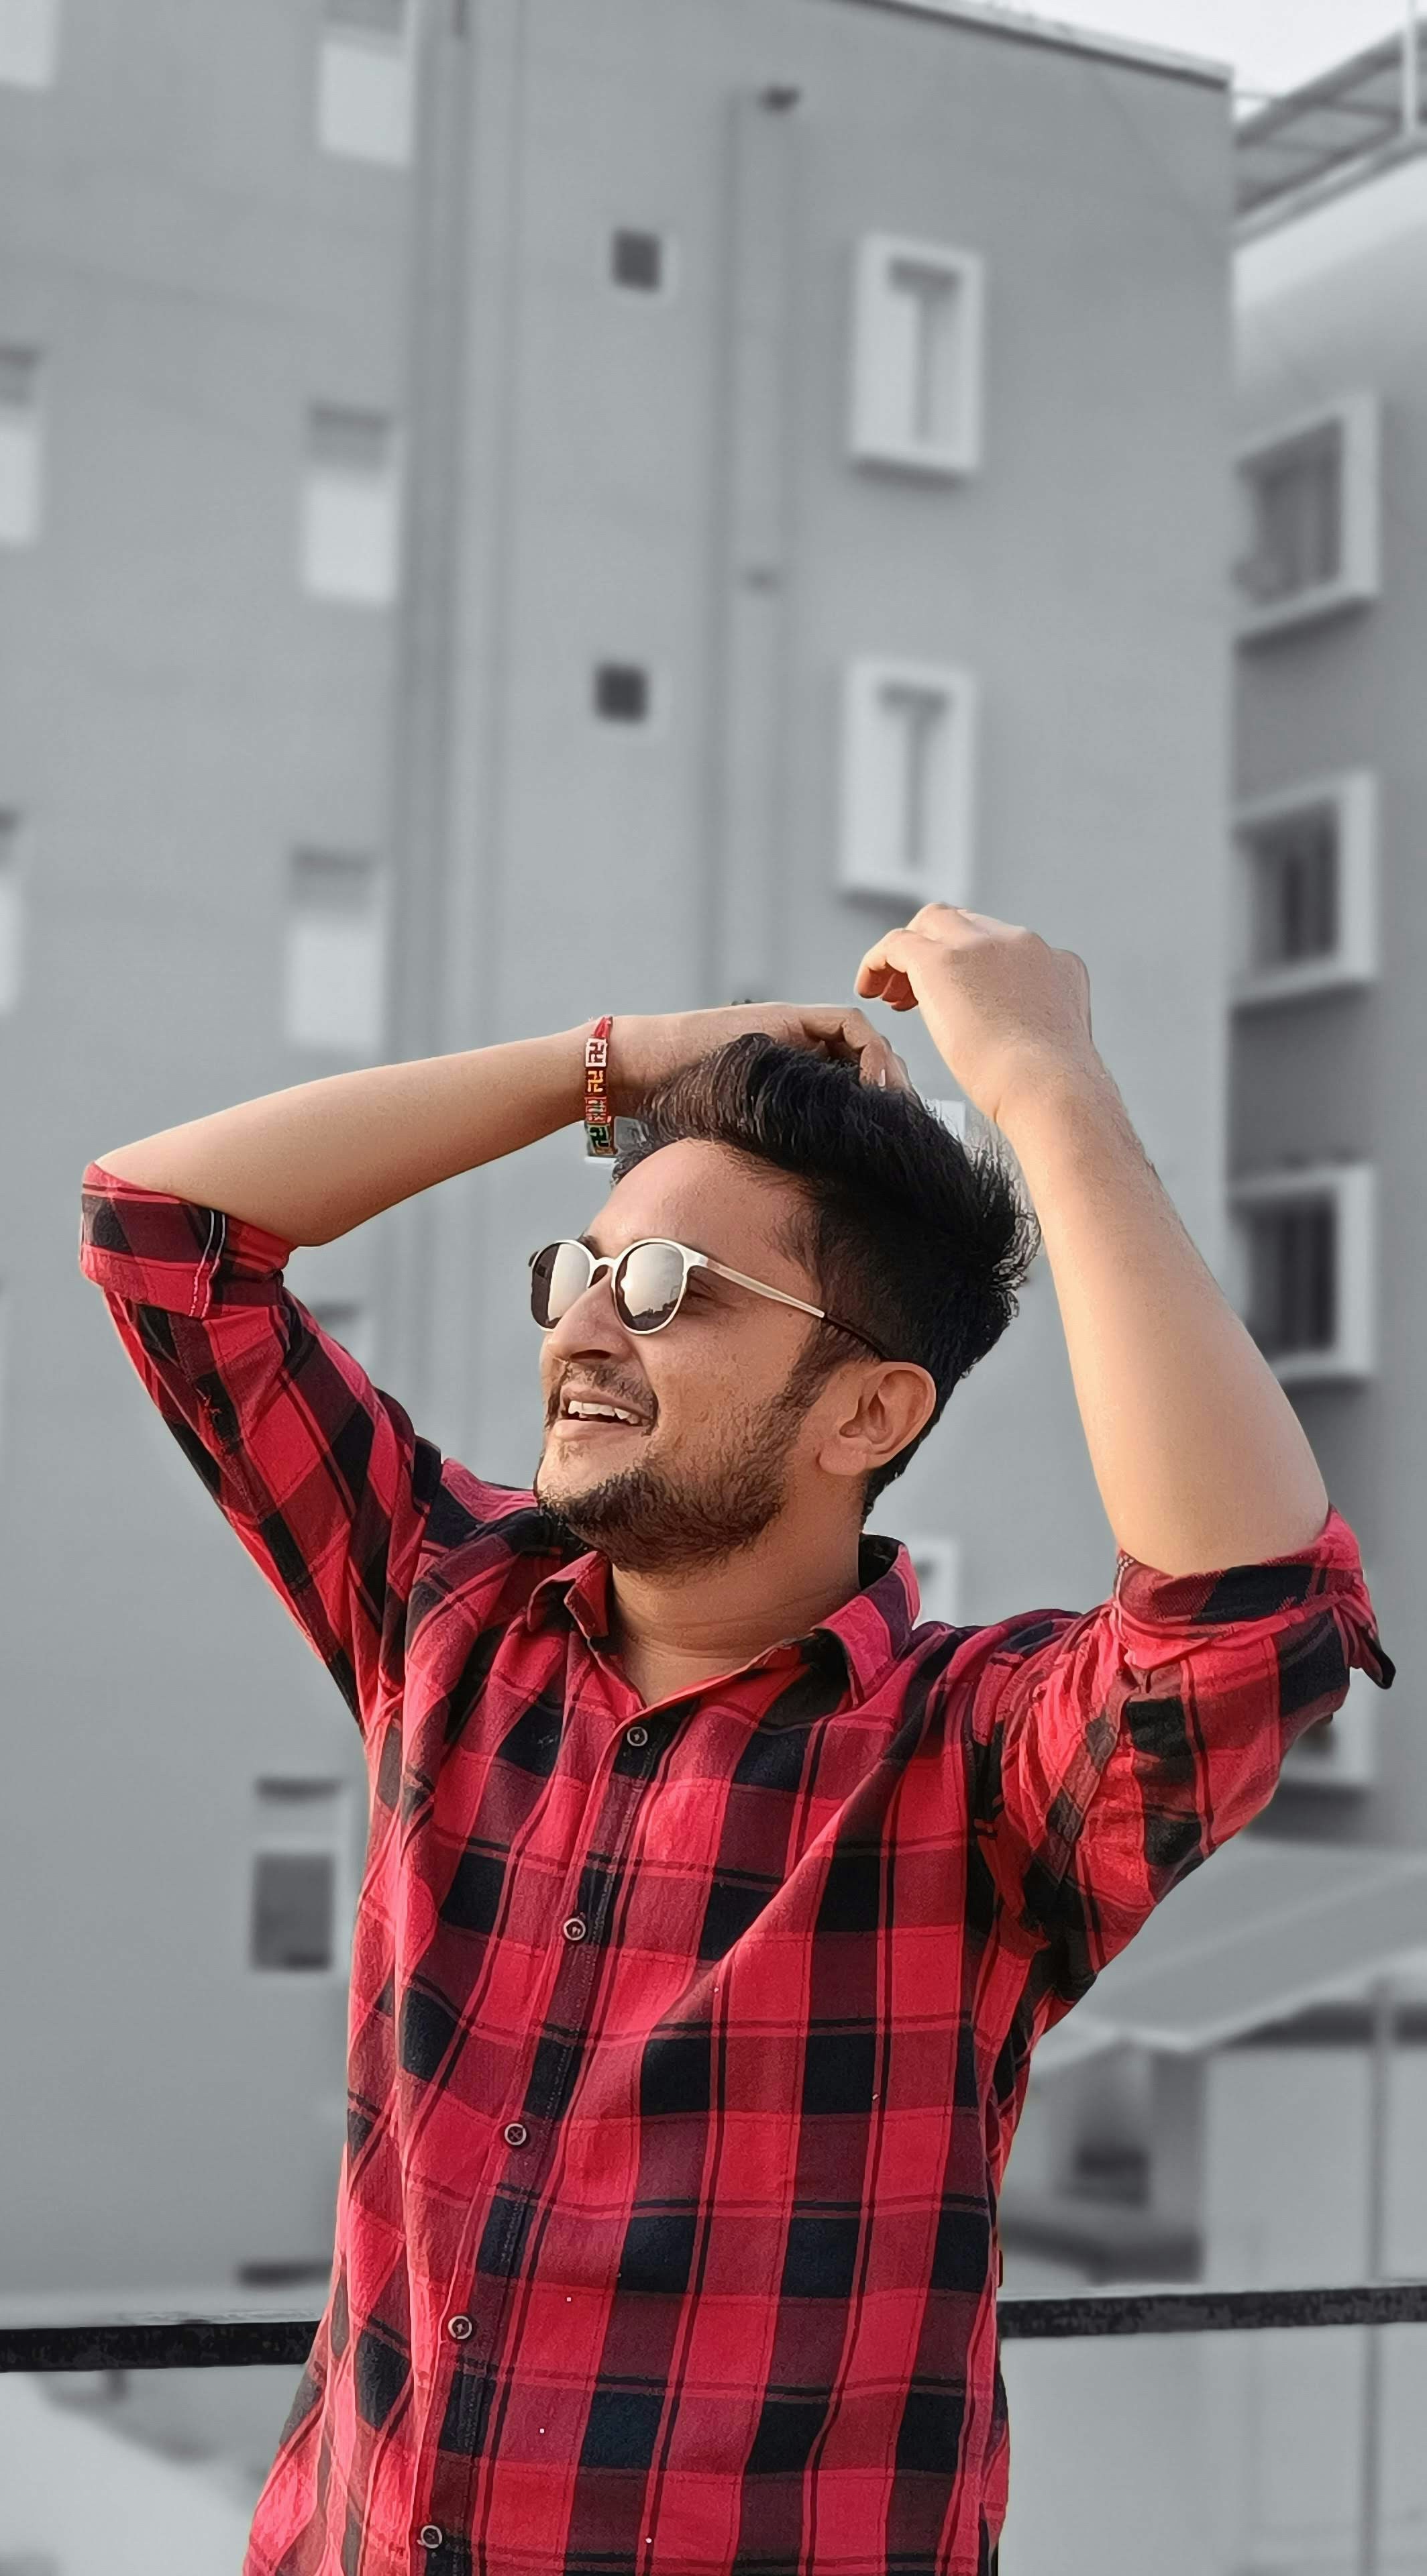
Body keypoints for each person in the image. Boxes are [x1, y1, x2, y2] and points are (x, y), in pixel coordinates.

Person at [79, 905, 1389, 2576]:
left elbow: (1238, 1616)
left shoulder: (970, 1767)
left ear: (868, 1412)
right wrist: (614, 1070)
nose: (582, 1325)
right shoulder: (447, 1612)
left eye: (669, 1287)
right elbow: (163, 1229)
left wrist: (1048, 1082)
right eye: (580, 1267)